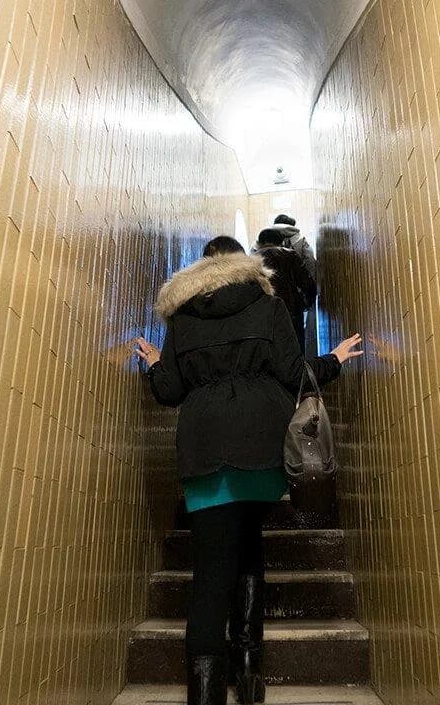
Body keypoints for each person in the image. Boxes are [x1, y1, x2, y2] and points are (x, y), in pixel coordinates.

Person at [134, 236, 362, 705]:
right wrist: (333, 360)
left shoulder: (181, 316)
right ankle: (247, 667)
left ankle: (205, 694)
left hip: (204, 448)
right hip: (260, 445)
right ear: (243, 262)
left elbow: (171, 391)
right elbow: (293, 374)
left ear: (201, 269)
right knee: (250, 544)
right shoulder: (267, 305)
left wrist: (155, 365)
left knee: (210, 574)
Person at [253, 228, 316, 353]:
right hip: (291, 310)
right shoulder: (290, 255)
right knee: (295, 348)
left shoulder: (252, 259)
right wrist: (307, 303)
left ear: (259, 243)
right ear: (281, 242)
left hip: (263, 313)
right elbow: (308, 283)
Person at [250, 214, 316, 282]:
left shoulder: (259, 239)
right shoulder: (300, 240)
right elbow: (309, 262)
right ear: (292, 226)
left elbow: (251, 264)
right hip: (293, 284)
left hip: (265, 284)